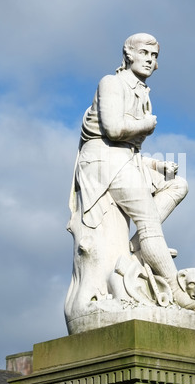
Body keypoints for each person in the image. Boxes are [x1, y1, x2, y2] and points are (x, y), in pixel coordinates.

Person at [73, 33, 188, 306]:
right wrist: (146, 125)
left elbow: (130, 150)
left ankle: (137, 247)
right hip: (102, 162)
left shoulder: (142, 93)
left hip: (124, 159)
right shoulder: (111, 83)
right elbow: (113, 130)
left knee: (177, 184)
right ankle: (177, 291)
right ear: (129, 55)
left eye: (154, 55)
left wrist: (157, 165)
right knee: (148, 220)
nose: (150, 60)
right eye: (144, 53)